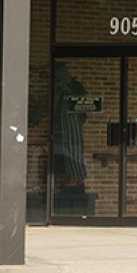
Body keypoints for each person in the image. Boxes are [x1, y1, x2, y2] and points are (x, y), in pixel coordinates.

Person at [51, 62, 88, 190]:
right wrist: (59, 91)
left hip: (73, 129)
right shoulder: (56, 87)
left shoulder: (76, 87)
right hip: (57, 128)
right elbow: (52, 106)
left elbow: (84, 105)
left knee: (74, 155)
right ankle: (53, 186)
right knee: (56, 157)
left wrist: (69, 94)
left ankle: (79, 183)